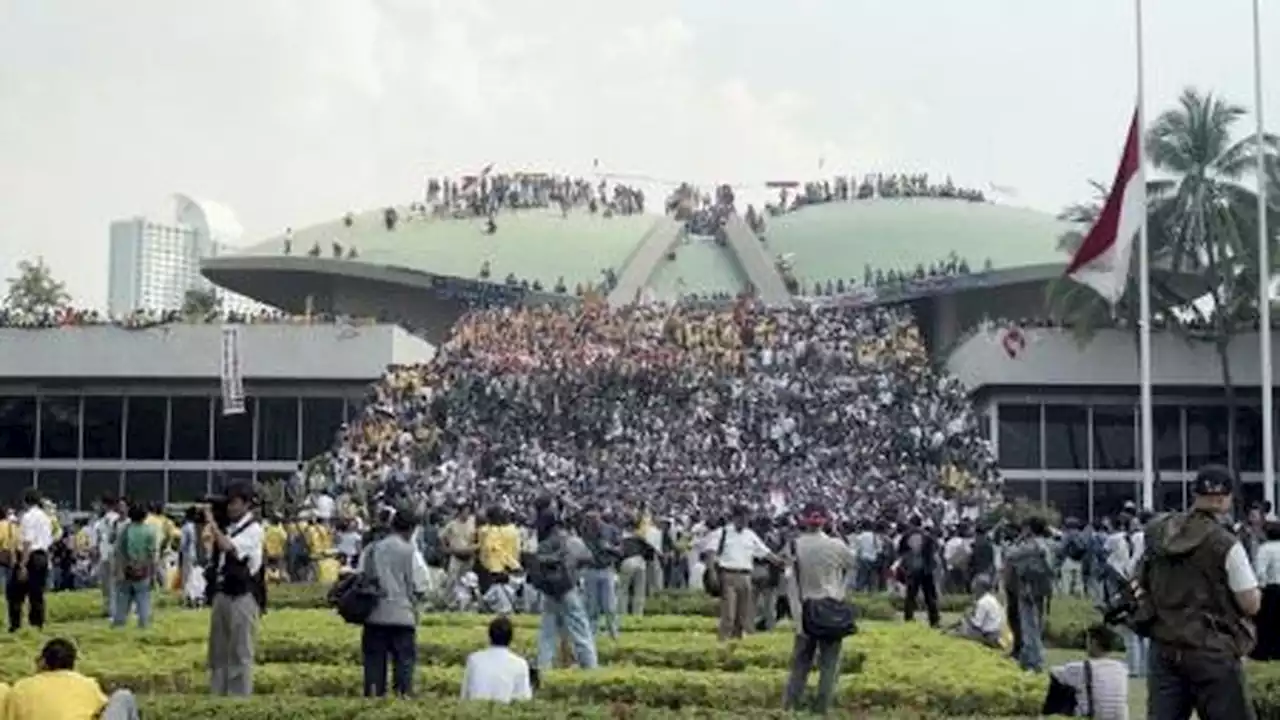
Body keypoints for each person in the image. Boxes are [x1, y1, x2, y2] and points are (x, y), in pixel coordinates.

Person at [1138, 464, 1259, 720]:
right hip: (1212, 650)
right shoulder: (1225, 542)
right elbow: (1250, 603)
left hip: (1164, 646)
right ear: (1224, 498)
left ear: (1195, 495)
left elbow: (1138, 578)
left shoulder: (1158, 532)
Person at [782, 503, 857, 715]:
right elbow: (853, 565)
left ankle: (791, 705)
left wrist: (796, 616)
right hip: (832, 605)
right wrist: (841, 591)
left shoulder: (794, 546)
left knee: (800, 663)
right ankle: (822, 707)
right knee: (829, 664)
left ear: (803, 519)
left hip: (806, 608)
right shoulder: (836, 545)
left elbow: (790, 583)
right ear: (826, 520)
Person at [359, 508, 428, 697]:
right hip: (403, 617)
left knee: (374, 669)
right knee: (404, 670)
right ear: (412, 529)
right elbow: (421, 585)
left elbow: (360, 577)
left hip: (374, 616)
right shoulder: (410, 552)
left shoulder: (371, 549)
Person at [204, 480, 265, 696]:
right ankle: (218, 696)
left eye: (235, 503)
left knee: (241, 652)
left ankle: (238, 701)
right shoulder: (228, 526)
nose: (230, 507)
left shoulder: (254, 529)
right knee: (217, 652)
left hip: (243, 596)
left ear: (247, 504)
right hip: (223, 593)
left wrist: (211, 521)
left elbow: (229, 547)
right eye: (228, 503)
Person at [699, 505, 782, 641]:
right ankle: (722, 644)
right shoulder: (722, 532)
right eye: (742, 518)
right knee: (729, 616)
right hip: (728, 575)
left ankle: (737, 646)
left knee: (742, 617)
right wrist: (712, 572)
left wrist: (780, 561)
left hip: (746, 577)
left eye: (747, 518)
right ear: (735, 518)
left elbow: (766, 553)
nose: (744, 521)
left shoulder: (750, 535)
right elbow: (710, 552)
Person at [4, 637, 139, 719]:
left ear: (42, 661)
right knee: (123, 696)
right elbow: (103, 709)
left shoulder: (21, 687)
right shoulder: (86, 684)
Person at [529, 512, 597, 671]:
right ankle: (591, 667)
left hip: (550, 593)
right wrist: (574, 565)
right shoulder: (572, 541)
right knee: (581, 631)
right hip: (568, 590)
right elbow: (589, 558)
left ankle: (543, 668)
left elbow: (535, 564)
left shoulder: (543, 544)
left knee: (547, 634)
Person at [1046, 624, 1129, 720]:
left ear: (1093, 642)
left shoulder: (1082, 668)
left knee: (1058, 685)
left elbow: (1053, 672)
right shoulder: (1121, 668)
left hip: (1092, 716)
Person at [1005, 516, 1054, 672]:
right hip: (1041, 589)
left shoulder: (1031, 546)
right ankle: (1029, 659)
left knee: (1029, 627)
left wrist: (1019, 539)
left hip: (1028, 589)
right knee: (1035, 625)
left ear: (1030, 529)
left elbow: (1009, 554)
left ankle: (1034, 661)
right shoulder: (1047, 544)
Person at [7, 489, 53, 633]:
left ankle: (16, 625)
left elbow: (27, 541)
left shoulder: (28, 517)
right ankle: (37, 624)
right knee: (37, 593)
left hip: (30, 556)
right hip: (43, 555)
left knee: (14, 592)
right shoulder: (46, 517)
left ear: (25, 501)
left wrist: (22, 565)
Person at [460, 615, 534, 703]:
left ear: (489, 635)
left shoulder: (474, 659)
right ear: (511, 638)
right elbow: (524, 698)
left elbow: (464, 695)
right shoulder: (520, 664)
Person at [112, 504, 157, 629]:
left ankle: (119, 625)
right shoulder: (150, 531)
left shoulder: (125, 530)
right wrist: (153, 574)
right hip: (144, 570)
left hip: (127, 570)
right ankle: (144, 625)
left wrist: (119, 571)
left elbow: (119, 552)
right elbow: (152, 555)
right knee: (143, 599)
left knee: (122, 600)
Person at [898, 516, 940, 628]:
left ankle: (908, 619)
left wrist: (905, 567)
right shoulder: (927, 536)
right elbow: (934, 551)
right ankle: (934, 620)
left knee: (910, 596)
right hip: (926, 570)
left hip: (912, 571)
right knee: (930, 597)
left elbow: (901, 553)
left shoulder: (905, 536)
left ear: (911, 524)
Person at [950, 574, 1005, 648]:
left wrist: (967, 617)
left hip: (988, 635)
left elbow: (977, 624)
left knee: (961, 630)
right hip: (997, 632)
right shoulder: (991, 598)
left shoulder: (983, 602)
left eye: (975, 586)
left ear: (980, 587)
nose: (973, 588)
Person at [1252, 520, 1280, 660]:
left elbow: (1260, 571)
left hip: (1271, 589)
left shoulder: (1265, 549)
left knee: (1266, 622)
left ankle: (1263, 651)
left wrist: (1259, 587)